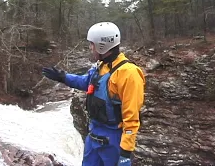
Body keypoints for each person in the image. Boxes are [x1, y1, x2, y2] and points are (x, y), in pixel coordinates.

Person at [42, 22, 145, 166]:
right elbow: (86, 82)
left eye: (92, 44)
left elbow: (132, 118)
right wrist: (63, 77)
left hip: (113, 140)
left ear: (103, 46)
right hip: (94, 134)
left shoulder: (129, 74)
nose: (91, 48)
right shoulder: (100, 66)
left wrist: (126, 152)